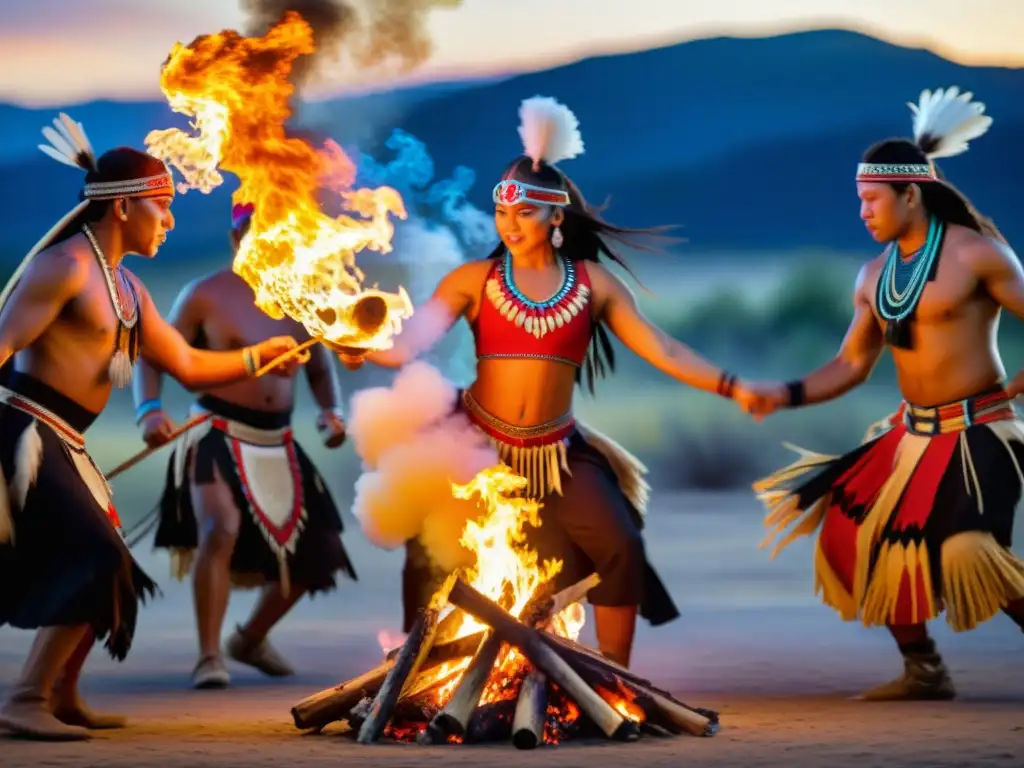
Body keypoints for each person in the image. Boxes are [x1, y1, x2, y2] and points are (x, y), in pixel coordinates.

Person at [339, 96, 763, 667]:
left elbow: (660, 347)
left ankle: (616, 678)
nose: (510, 225)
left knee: (620, 544)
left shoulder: (595, 284)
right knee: (429, 551)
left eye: (525, 214)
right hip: (475, 444)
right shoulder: (472, 280)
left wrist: (732, 385)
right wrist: (361, 345)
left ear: (556, 217)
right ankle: (420, 673)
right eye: (502, 213)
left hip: (556, 451)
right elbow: (410, 343)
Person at [0, 114, 304, 741]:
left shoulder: (128, 288)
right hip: (28, 433)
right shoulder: (65, 269)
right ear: (123, 209)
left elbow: (189, 366)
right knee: (93, 556)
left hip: (69, 442)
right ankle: (26, 698)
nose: (168, 221)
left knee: (112, 570)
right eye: (161, 208)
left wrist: (262, 355)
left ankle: (62, 696)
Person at [748, 86, 1024, 700]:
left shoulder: (979, 255)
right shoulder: (874, 276)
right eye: (860, 200)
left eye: (872, 200)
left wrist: (1018, 386)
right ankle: (923, 668)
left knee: (970, 553)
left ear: (910, 194)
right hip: (911, 433)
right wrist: (783, 393)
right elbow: (849, 364)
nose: (864, 212)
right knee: (852, 529)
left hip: (980, 431)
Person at [134, 202, 357, 690]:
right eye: (257, 238)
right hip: (216, 432)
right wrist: (149, 408)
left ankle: (250, 638)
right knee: (221, 528)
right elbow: (153, 355)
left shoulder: (304, 296)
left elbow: (319, 367)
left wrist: (329, 411)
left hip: (278, 439)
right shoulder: (205, 295)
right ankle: (208, 655)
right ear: (237, 240)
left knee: (320, 551)